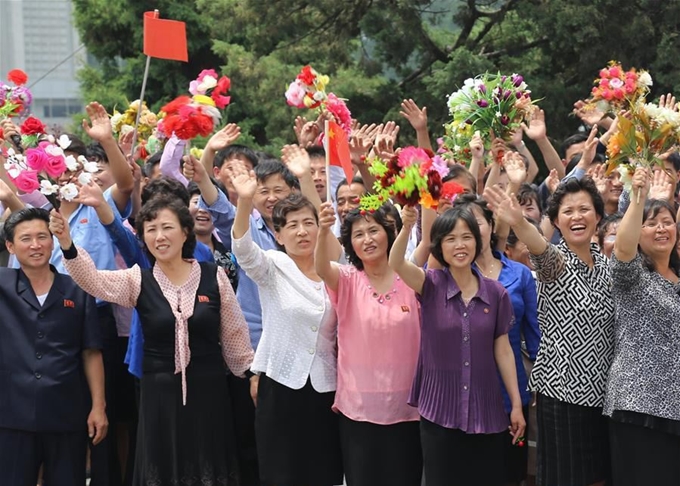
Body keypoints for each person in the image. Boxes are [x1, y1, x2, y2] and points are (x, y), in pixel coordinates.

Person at [49, 197, 254, 486]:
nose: (159, 236)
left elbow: (234, 335)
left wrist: (250, 376)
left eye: (167, 227)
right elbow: (93, 280)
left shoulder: (214, 275)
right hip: (159, 395)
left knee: (210, 465)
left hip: (210, 393)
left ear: (185, 232)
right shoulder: (137, 279)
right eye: (151, 229)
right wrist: (67, 244)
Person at [485, 178, 614, 486]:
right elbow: (539, 246)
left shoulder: (609, 267)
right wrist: (518, 222)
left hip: (605, 396)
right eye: (568, 211)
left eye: (585, 209)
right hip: (563, 393)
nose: (577, 217)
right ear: (556, 221)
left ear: (598, 216)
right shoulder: (555, 262)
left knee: (599, 478)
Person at [389, 204, 525, 486]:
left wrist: (515, 404)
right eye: (450, 238)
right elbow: (397, 264)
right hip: (439, 412)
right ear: (440, 247)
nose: (459, 245)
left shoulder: (496, 293)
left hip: (486, 411)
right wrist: (405, 228)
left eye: (466, 236)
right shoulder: (430, 283)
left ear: (477, 240)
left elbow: (503, 349)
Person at [231, 168, 343, 484]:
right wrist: (244, 200)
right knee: (282, 473)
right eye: (292, 225)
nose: (302, 231)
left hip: (325, 388)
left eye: (309, 223)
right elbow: (242, 250)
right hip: (280, 385)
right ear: (278, 235)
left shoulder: (335, 273)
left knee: (323, 472)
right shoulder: (273, 266)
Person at [315, 204, 422, 486]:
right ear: (349, 242)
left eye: (374, 230)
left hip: (408, 406)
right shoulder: (347, 278)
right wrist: (324, 229)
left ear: (388, 234)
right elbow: (321, 267)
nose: (368, 239)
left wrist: (411, 224)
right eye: (358, 234)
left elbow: (429, 246)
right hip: (359, 408)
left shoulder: (409, 277)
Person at [0, 208, 107, 485]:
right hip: (11, 415)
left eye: (42, 236)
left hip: (66, 413)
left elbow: (91, 351)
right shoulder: (3, 284)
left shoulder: (77, 289)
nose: (35, 245)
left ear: (53, 240)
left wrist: (98, 406)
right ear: (10, 246)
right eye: (25, 239)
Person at [452, 195, 540, 485]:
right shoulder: (451, 277)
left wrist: (538, 387)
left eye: (476, 223)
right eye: (460, 228)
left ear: (491, 225)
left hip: (511, 391)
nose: (471, 232)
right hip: (466, 392)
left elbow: (535, 335)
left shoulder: (521, 274)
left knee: (510, 472)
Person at [605, 167, 680, 485]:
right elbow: (623, 248)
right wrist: (638, 199)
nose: (662, 229)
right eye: (652, 224)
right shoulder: (632, 278)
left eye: (667, 222)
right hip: (638, 407)